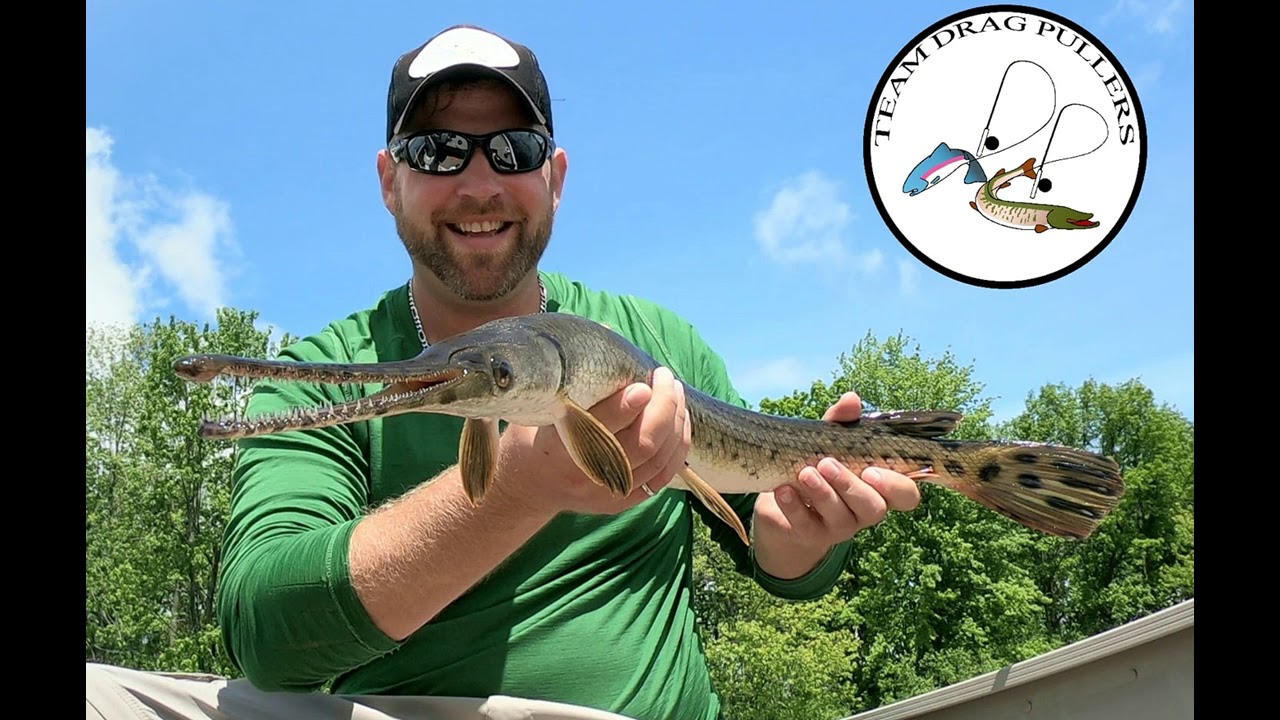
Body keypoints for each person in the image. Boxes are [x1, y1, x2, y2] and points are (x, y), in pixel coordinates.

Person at [86, 23, 921, 720]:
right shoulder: (323, 369)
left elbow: (774, 553)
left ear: (554, 179)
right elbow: (267, 637)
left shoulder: (661, 338)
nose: (479, 183)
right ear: (390, 180)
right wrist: (519, 490)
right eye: (439, 150)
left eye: (513, 150)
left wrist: (797, 542)